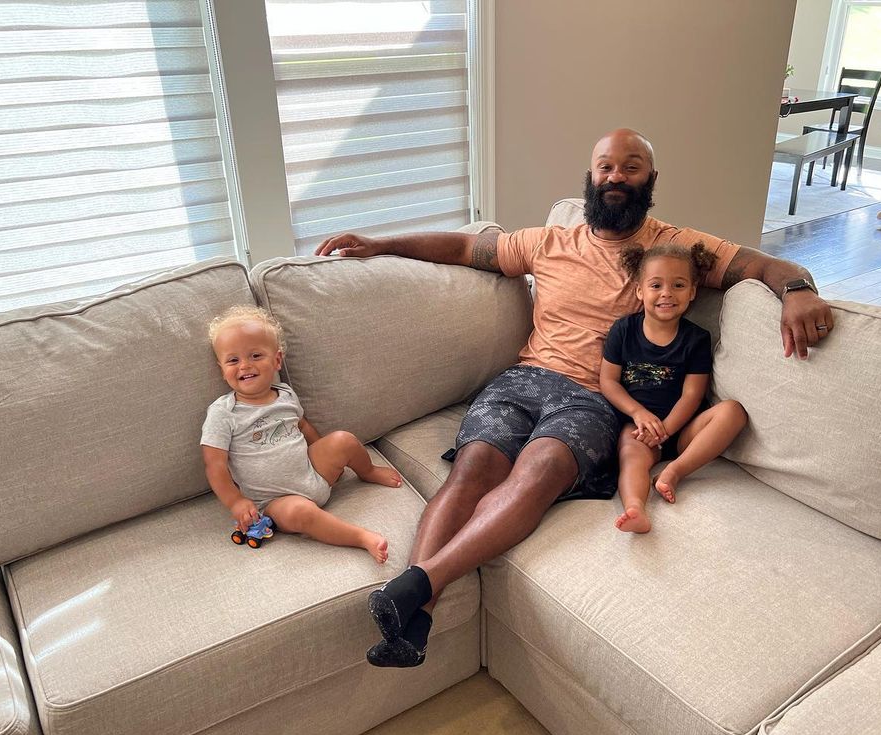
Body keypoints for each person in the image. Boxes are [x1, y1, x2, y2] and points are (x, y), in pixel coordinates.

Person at [314, 128, 834, 668]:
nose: (615, 177)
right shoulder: (548, 242)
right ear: (590, 177)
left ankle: (416, 587)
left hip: (594, 398)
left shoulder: (674, 252)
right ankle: (416, 620)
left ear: (651, 179)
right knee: (472, 470)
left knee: (537, 471)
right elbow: (466, 248)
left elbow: (763, 265)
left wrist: (797, 289)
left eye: (630, 167)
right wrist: (382, 244)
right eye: (605, 166)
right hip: (523, 380)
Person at [200, 306, 401, 563]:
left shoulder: (285, 394)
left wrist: (326, 457)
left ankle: (368, 471)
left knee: (343, 439)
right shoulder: (223, 413)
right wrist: (236, 502)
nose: (245, 365)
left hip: (312, 472)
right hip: (275, 501)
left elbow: (303, 427)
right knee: (301, 513)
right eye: (233, 360)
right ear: (222, 369)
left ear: (277, 360)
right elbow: (214, 465)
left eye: (255, 355)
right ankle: (361, 537)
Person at [601, 243, 748, 534]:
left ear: (692, 291)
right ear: (640, 290)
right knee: (630, 455)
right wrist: (638, 413)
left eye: (678, 285)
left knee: (733, 412)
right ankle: (635, 508)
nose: (667, 293)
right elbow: (608, 381)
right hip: (639, 428)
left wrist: (667, 429)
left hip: (682, 429)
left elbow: (693, 394)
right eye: (656, 285)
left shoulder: (696, 339)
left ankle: (675, 471)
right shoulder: (623, 330)